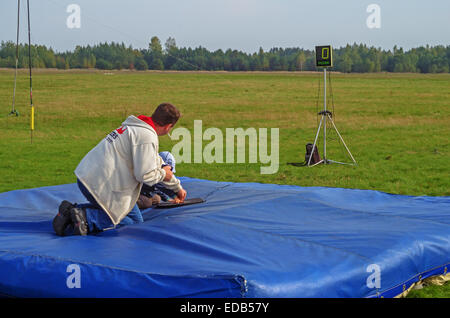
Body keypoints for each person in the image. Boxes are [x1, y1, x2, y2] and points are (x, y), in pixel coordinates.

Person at [52, 103, 187, 236]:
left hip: (87, 176)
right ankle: (86, 218)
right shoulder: (147, 137)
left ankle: (71, 211)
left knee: (134, 218)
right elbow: (145, 175)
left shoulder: (135, 126)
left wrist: (177, 188)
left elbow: (156, 162)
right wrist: (164, 175)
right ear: (169, 126)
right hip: (101, 185)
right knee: (132, 222)